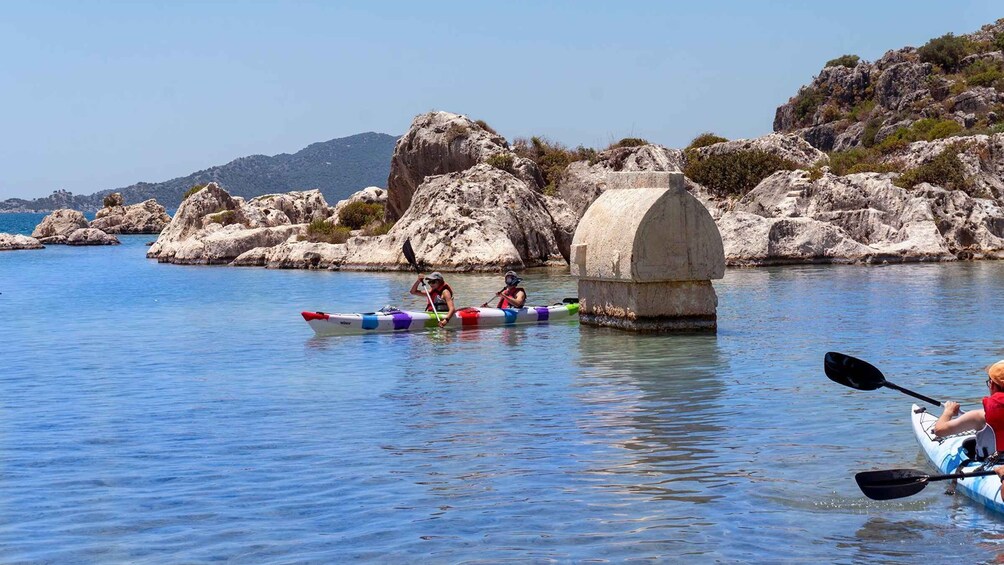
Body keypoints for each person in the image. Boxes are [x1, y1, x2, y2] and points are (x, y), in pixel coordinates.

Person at [933, 360, 1004, 477]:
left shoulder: (979, 416)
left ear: (991, 384)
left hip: (991, 467)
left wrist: (948, 412)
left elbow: (939, 430)